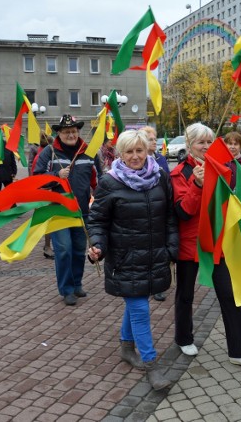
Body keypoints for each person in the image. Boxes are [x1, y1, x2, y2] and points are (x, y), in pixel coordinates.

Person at [87, 129, 178, 391]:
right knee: (140, 309)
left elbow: (170, 216)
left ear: (147, 150)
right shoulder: (109, 182)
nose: (135, 156)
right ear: (120, 154)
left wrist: (172, 247)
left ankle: (126, 348)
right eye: (129, 151)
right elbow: (98, 221)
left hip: (154, 254)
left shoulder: (160, 177)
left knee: (136, 302)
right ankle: (152, 365)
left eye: (140, 150)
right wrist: (98, 247)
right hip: (125, 257)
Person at [171, 122, 241, 368]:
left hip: (217, 242)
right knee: (185, 295)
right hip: (190, 245)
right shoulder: (179, 173)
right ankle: (183, 337)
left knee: (229, 295)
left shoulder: (222, 169)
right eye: (201, 142)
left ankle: (239, 351)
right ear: (190, 146)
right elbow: (183, 212)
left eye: (210, 142)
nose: (206, 146)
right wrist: (197, 185)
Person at [34, 114, 98, 306]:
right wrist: (56, 175)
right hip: (58, 209)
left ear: (78, 131)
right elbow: (36, 179)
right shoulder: (49, 152)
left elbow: (98, 179)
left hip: (81, 210)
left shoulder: (88, 152)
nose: (70, 134)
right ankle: (66, 289)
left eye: (73, 131)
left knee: (79, 250)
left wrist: (99, 199)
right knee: (63, 250)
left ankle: (77, 283)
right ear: (59, 133)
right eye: (66, 131)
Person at [143, 126, 170, 302]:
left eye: (155, 138)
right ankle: (147, 283)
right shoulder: (139, 160)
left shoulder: (161, 158)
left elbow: (168, 180)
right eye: (151, 139)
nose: (155, 141)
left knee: (159, 250)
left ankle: (158, 286)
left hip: (161, 207)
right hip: (144, 211)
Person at [31, 132, 55, 259]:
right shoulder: (42, 156)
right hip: (44, 192)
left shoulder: (43, 154)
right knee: (48, 220)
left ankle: (49, 245)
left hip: (47, 192)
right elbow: (38, 176)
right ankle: (47, 246)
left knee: (50, 219)